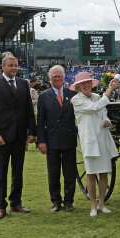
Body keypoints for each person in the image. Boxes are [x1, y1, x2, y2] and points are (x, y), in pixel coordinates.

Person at [0, 53, 36, 220]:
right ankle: (0, 207)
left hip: (20, 137)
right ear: (3, 67)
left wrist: (32, 132)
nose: (14, 68)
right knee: (1, 172)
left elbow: (29, 110)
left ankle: (16, 203)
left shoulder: (23, 83)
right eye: (11, 65)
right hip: (2, 137)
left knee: (18, 171)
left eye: (16, 65)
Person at [70, 71, 119, 217]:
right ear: (78, 87)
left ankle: (101, 204)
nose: (85, 85)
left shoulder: (97, 97)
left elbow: (103, 114)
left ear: (91, 84)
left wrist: (107, 122)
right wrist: (109, 91)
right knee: (91, 174)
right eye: (82, 84)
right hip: (89, 141)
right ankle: (92, 205)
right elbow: (94, 108)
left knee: (103, 173)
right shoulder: (76, 100)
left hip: (102, 139)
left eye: (87, 83)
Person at [36, 65, 78, 212]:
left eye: (59, 75)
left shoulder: (72, 94)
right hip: (51, 141)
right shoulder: (43, 96)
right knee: (53, 173)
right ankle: (56, 202)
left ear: (64, 76)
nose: (57, 78)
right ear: (49, 78)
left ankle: (68, 202)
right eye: (54, 76)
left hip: (69, 139)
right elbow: (40, 121)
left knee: (70, 173)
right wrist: (41, 141)